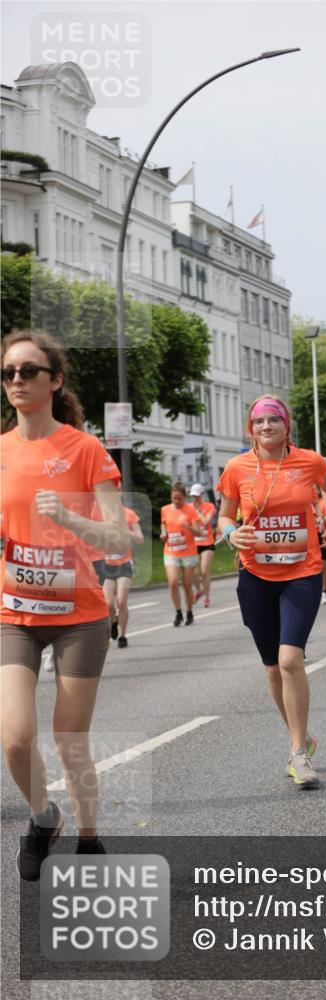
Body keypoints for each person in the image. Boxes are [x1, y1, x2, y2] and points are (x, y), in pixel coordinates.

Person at [0, 329, 129, 879]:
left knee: (69, 739)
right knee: (14, 735)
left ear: (54, 380)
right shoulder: (1, 451)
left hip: (78, 615)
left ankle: (90, 838)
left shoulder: (85, 449)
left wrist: (69, 518)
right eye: (8, 373)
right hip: (15, 614)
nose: (16, 382)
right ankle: (42, 816)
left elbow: (120, 540)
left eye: (28, 371)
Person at [217, 396, 326, 789]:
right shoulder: (236, 467)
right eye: (259, 422)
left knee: (290, 660)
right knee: (272, 667)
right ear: (250, 428)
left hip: (302, 571)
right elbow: (224, 515)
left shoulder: (310, 462)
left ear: (287, 426)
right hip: (254, 574)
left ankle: (298, 753)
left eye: (274, 420)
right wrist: (230, 533)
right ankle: (299, 738)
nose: (266, 427)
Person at [103, 490, 143, 648]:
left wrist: (125, 531)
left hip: (125, 563)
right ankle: (113, 622)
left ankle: (122, 635)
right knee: (108, 604)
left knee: (121, 600)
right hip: (107, 565)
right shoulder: (101, 515)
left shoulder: (129, 515)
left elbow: (139, 538)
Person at [161, 482, 202, 626]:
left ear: (184, 498)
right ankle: (178, 612)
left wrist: (188, 527)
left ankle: (189, 612)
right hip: (171, 551)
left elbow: (199, 532)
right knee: (172, 582)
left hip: (188, 552)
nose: (176, 501)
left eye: (179, 498)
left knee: (186, 584)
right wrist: (163, 534)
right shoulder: (165, 509)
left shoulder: (191, 510)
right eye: (174, 498)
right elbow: (164, 526)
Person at [190, 483, 217, 608]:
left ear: (201, 495)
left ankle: (206, 597)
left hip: (207, 543)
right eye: (192, 496)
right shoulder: (188, 507)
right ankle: (199, 590)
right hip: (193, 544)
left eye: (196, 496)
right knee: (192, 572)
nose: (194, 498)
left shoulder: (209, 506)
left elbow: (206, 522)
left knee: (204, 571)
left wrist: (197, 511)